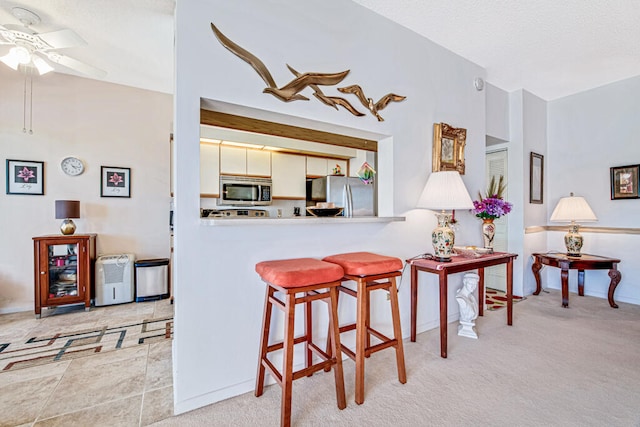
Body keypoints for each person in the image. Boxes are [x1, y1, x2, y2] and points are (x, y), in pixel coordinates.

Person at [456, 273, 479, 339]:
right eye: (470, 284)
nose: (473, 287)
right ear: (464, 282)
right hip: (466, 319)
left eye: (475, 285)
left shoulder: (471, 297)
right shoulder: (460, 298)